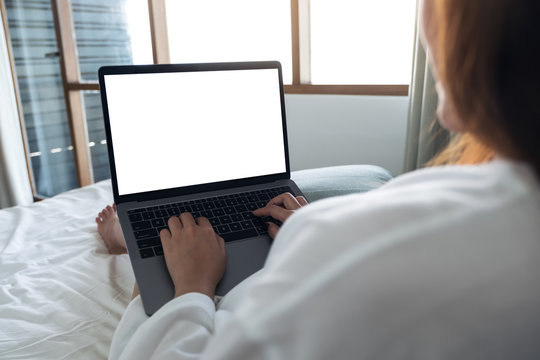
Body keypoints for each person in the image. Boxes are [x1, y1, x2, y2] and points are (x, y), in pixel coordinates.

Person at [97, 0, 540, 358]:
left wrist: (192, 287)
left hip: (229, 283)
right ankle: (136, 236)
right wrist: (318, 235)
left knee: (160, 276)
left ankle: (136, 246)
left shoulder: (339, 239)